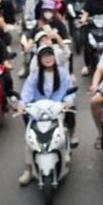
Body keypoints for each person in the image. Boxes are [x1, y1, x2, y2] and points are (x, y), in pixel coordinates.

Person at [18, 46, 77, 186]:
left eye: (50, 55)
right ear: (39, 59)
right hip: (38, 113)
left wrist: (68, 101)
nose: (48, 59)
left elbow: (70, 91)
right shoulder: (34, 76)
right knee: (30, 139)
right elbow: (26, 93)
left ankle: (65, 149)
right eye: (44, 56)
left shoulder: (63, 73)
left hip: (57, 110)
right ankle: (29, 169)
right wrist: (22, 104)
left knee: (63, 129)